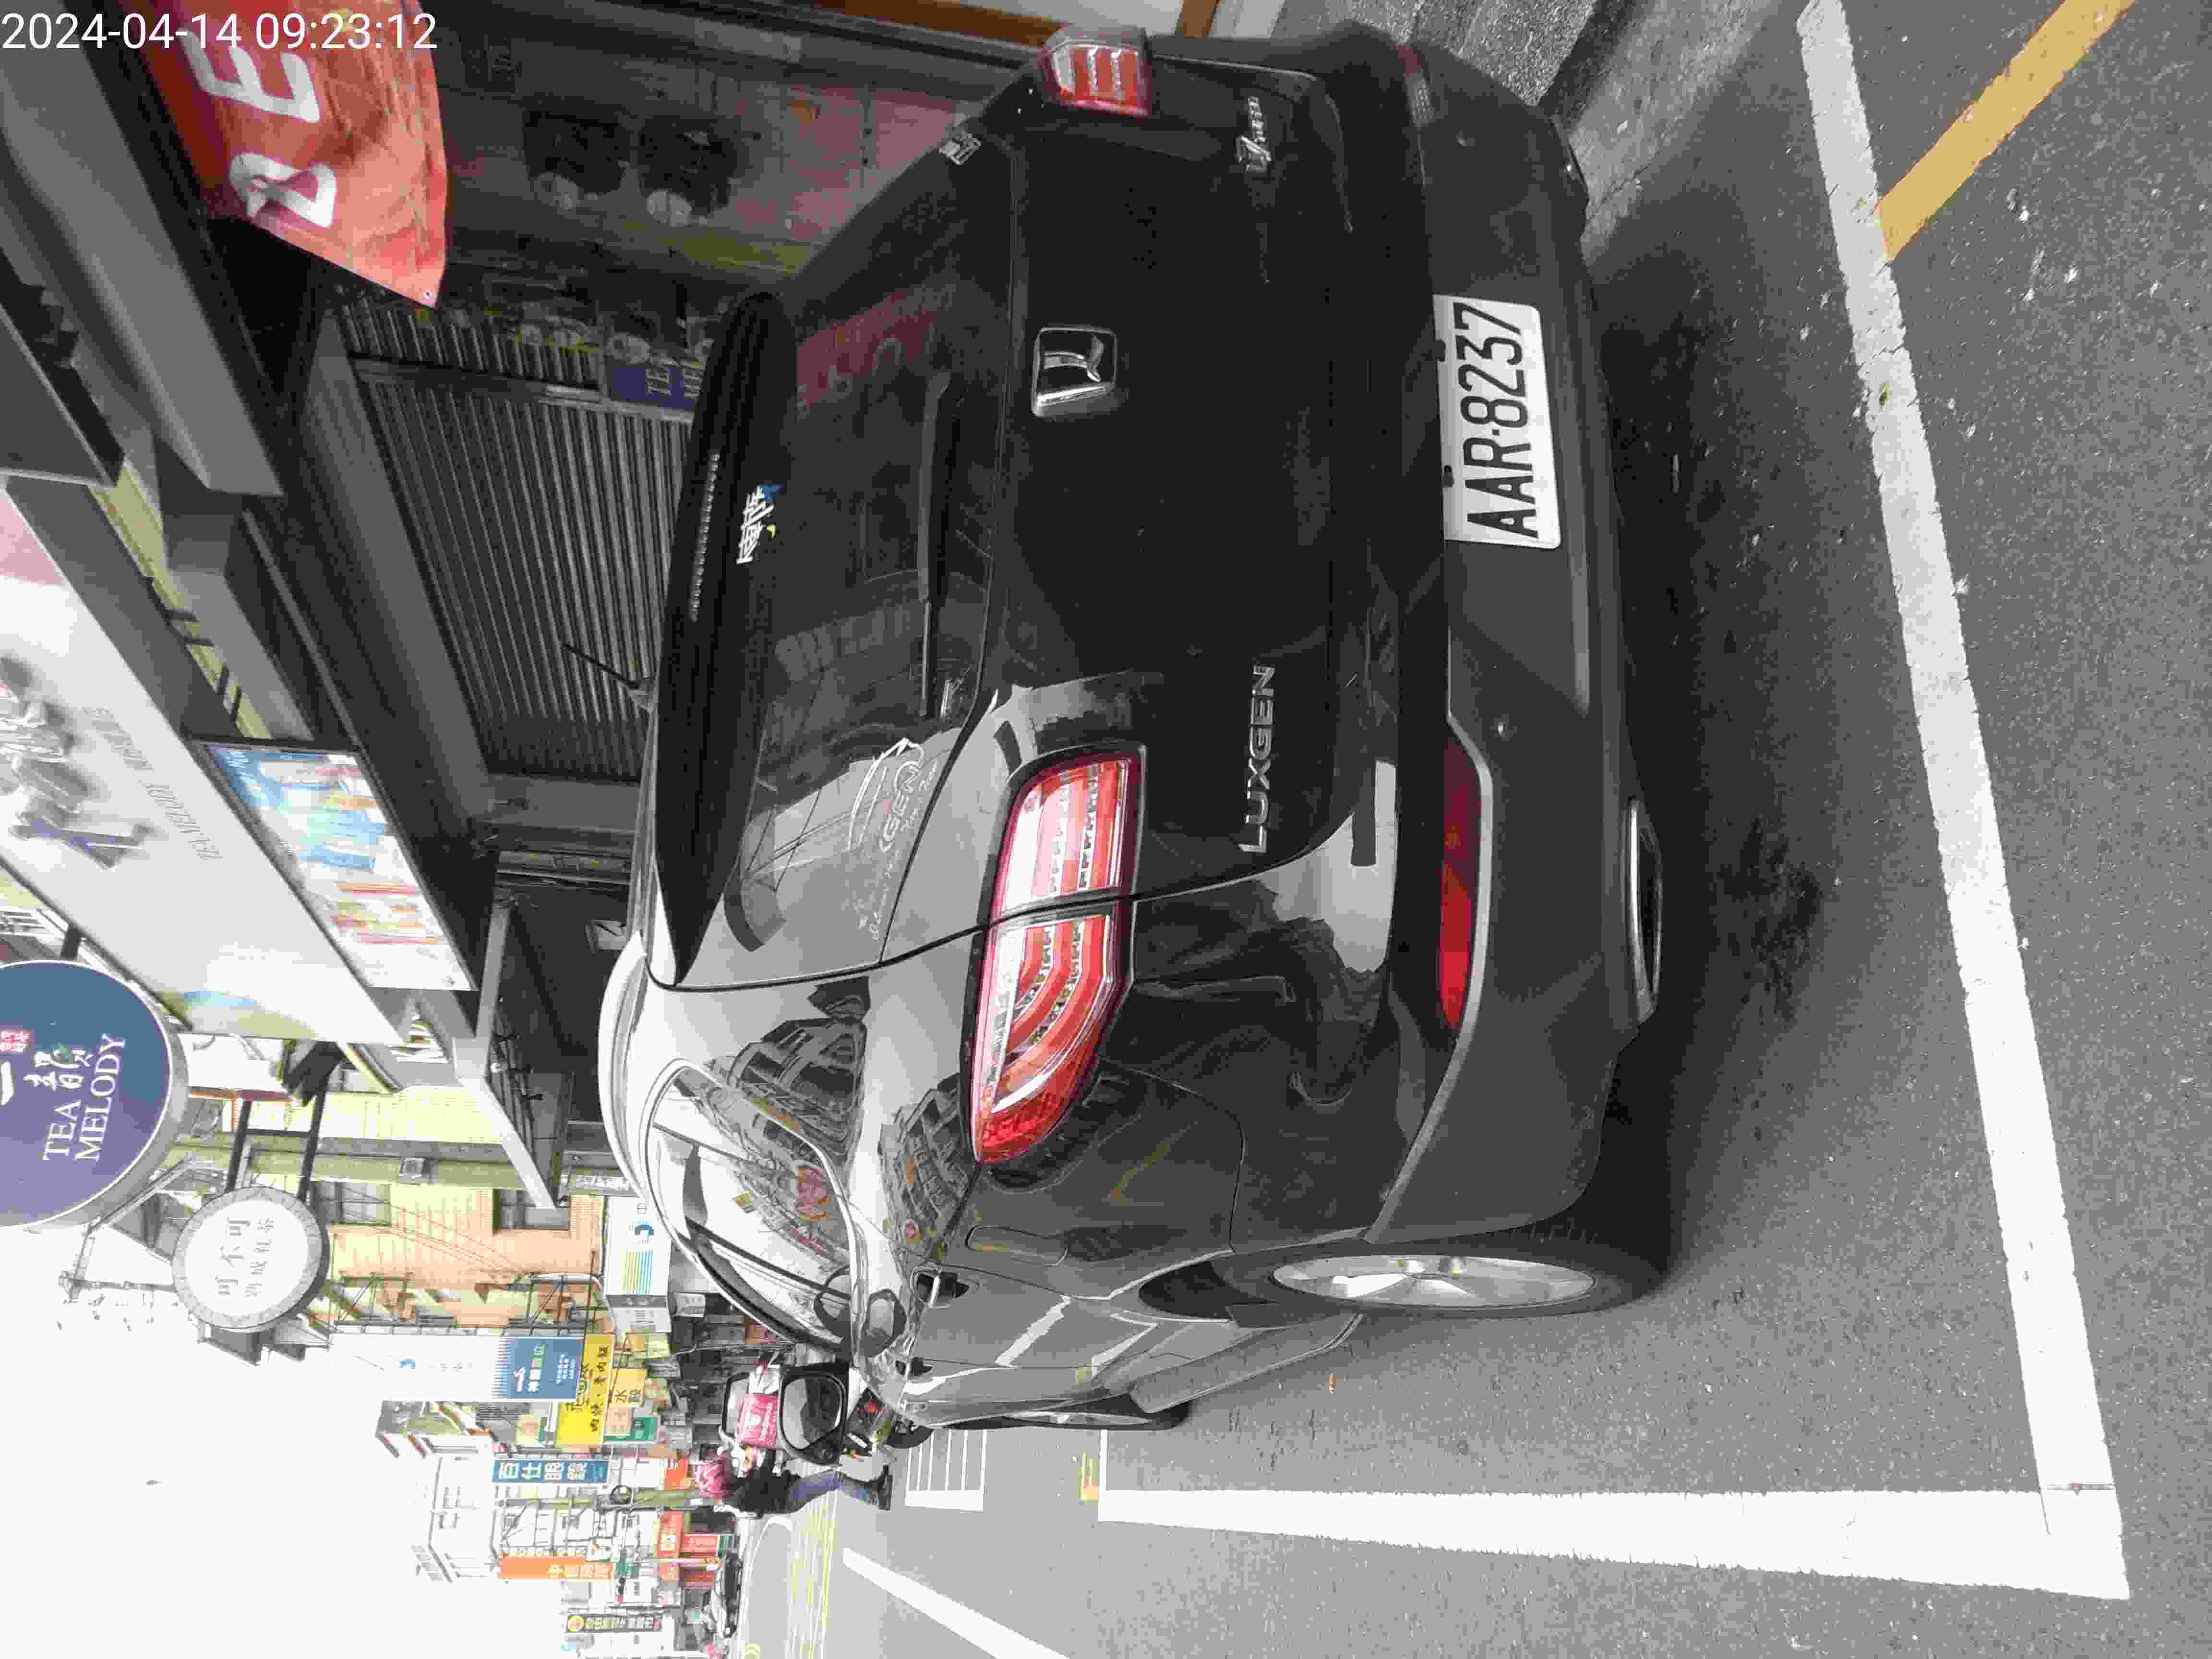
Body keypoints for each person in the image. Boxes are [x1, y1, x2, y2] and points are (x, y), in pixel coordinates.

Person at [697, 1446, 891, 1515]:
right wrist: (770, 1448)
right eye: (726, 1471)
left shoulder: (734, 1489)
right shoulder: (739, 1498)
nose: (729, 1468)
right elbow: (763, 1475)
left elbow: (756, 1476)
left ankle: (872, 1488)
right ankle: (877, 1500)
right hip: (789, 1497)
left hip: (788, 1488)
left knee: (831, 1477)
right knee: (834, 1479)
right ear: (723, 1482)